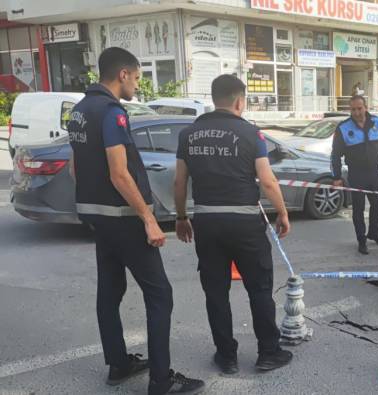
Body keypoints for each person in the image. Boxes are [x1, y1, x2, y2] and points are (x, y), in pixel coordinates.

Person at [67, 47, 203, 395]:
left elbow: (74, 167)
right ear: (123, 74)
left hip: (99, 219)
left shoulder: (79, 111)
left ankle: (119, 365)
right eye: (139, 77)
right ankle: (160, 381)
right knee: (161, 295)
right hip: (126, 219)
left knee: (110, 293)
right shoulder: (112, 113)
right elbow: (119, 173)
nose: (138, 86)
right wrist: (148, 218)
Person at [174, 75, 293, 375]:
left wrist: (180, 217)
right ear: (240, 101)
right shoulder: (252, 134)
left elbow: (180, 181)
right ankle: (268, 352)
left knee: (216, 292)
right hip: (245, 224)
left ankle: (226, 356)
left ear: (214, 98)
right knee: (259, 289)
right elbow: (267, 180)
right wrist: (282, 212)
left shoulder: (188, 134)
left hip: (207, 222)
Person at [331, 95, 378, 255]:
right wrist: (336, 177)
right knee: (358, 209)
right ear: (349, 110)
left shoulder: (377, 123)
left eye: (359, 108)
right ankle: (361, 239)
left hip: (374, 172)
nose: (357, 112)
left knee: (377, 204)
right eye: (353, 109)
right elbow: (335, 155)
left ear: (365, 107)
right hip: (356, 174)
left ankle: (374, 232)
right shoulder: (343, 128)